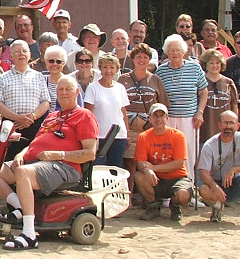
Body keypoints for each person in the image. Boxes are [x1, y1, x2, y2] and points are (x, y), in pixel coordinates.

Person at [0, 75, 98, 250]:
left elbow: (90, 153)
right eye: (60, 89)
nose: (63, 93)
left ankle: (29, 234)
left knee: (23, 172)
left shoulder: (84, 115)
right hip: (35, 162)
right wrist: (21, 154)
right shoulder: (52, 116)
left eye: (68, 89)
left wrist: (57, 154)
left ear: (77, 92)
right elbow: (35, 143)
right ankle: (20, 208)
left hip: (64, 166)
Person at [197, 111, 240, 226]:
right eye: (225, 123)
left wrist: (234, 170)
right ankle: (217, 207)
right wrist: (215, 187)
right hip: (218, 184)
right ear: (219, 125)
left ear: (237, 126)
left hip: (237, 182)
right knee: (203, 189)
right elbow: (203, 173)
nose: (228, 126)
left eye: (231, 123)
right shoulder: (209, 145)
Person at [154, 34, 209, 179]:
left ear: (184, 51)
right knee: (167, 153)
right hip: (168, 118)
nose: (175, 53)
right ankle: (167, 191)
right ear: (167, 51)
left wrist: (200, 113)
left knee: (189, 153)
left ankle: (188, 186)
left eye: (178, 50)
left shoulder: (195, 68)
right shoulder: (161, 70)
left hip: (189, 118)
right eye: (171, 50)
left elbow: (203, 92)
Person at [117, 43, 168, 193]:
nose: (141, 60)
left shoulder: (155, 80)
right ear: (133, 59)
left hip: (150, 128)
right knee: (129, 163)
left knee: (150, 163)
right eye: (138, 57)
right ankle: (129, 196)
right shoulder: (122, 80)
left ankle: (150, 197)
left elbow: (163, 104)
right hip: (129, 128)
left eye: (145, 57)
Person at [135, 103, 194, 222]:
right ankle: (153, 207)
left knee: (183, 195)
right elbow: (140, 162)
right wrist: (147, 170)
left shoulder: (178, 136)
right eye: (155, 116)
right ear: (150, 118)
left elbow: (178, 163)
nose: (159, 119)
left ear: (167, 118)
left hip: (177, 178)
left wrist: (153, 168)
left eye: (162, 116)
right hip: (156, 179)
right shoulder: (143, 137)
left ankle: (175, 206)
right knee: (139, 176)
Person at [0, 40, 52, 159]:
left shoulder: (38, 76)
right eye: (17, 51)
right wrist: (18, 118)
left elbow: (46, 102)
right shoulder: (3, 77)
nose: (21, 54)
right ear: (10, 56)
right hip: (12, 125)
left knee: (34, 159)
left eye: (24, 51)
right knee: (10, 160)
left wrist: (31, 117)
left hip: (35, 124)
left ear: (30, 54)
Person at [84, 53, 129, 166]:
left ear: (117, 69)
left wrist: (127, 134)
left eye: (112, 67)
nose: (108, 71)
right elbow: (88, 115)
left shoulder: (120, 88)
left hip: (119, 136)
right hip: (99, 136)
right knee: (98, 170)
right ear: (100, 68)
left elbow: (123, 113)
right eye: (105, 67)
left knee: (115, 170)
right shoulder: (92, 88)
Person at [200, 49, 239, 144]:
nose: (215, 66)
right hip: (206, 127)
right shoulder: (200, 81)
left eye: (217, 63)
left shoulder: (228, 82)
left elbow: (234, 105)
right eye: (211, 63)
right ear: (206, 65)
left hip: (225, 127)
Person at [42, 45, 68, 111]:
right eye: (51, 61)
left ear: (64, 63)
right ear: (45, 62)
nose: (55, 64)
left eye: (59, 61)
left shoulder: (69, 82)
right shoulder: (41, 81)